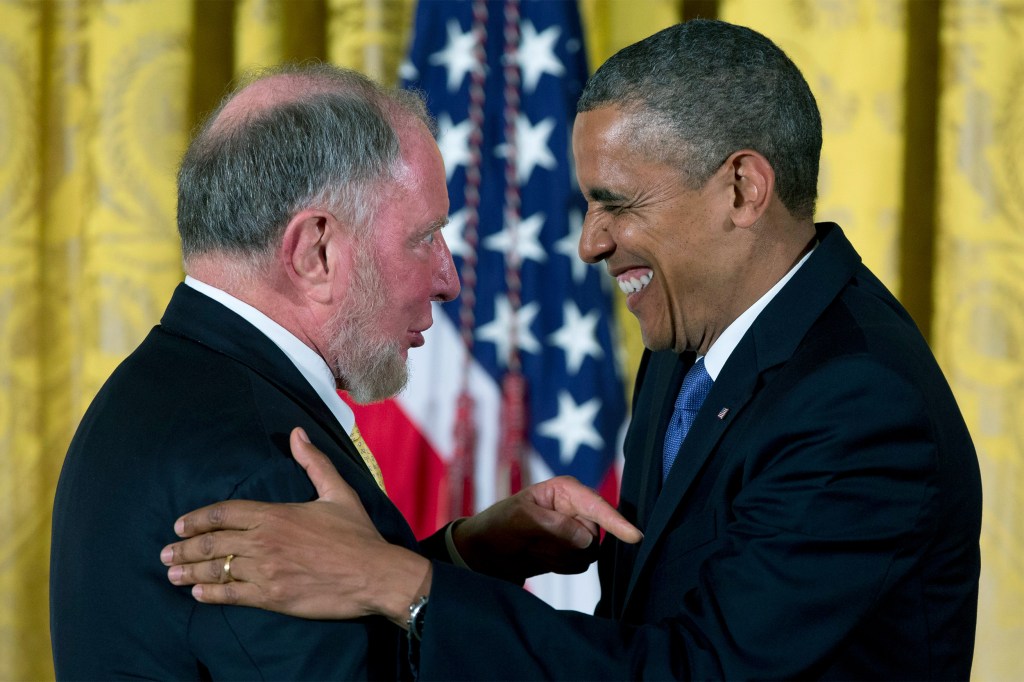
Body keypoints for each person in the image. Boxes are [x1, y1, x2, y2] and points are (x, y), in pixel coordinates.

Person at [161, 19, 982, 680]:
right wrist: (472, 552)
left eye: (615, 204)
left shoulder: (860, 400)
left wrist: (402, 583)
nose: (590, 243)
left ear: (742, 189)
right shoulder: (688, 338)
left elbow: (700, 671)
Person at [50, 63, 638, 680]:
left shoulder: (172, 381)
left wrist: (467, 553)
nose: (449, 280)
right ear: (317, 251)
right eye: (425, 237)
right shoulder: (263, 467)